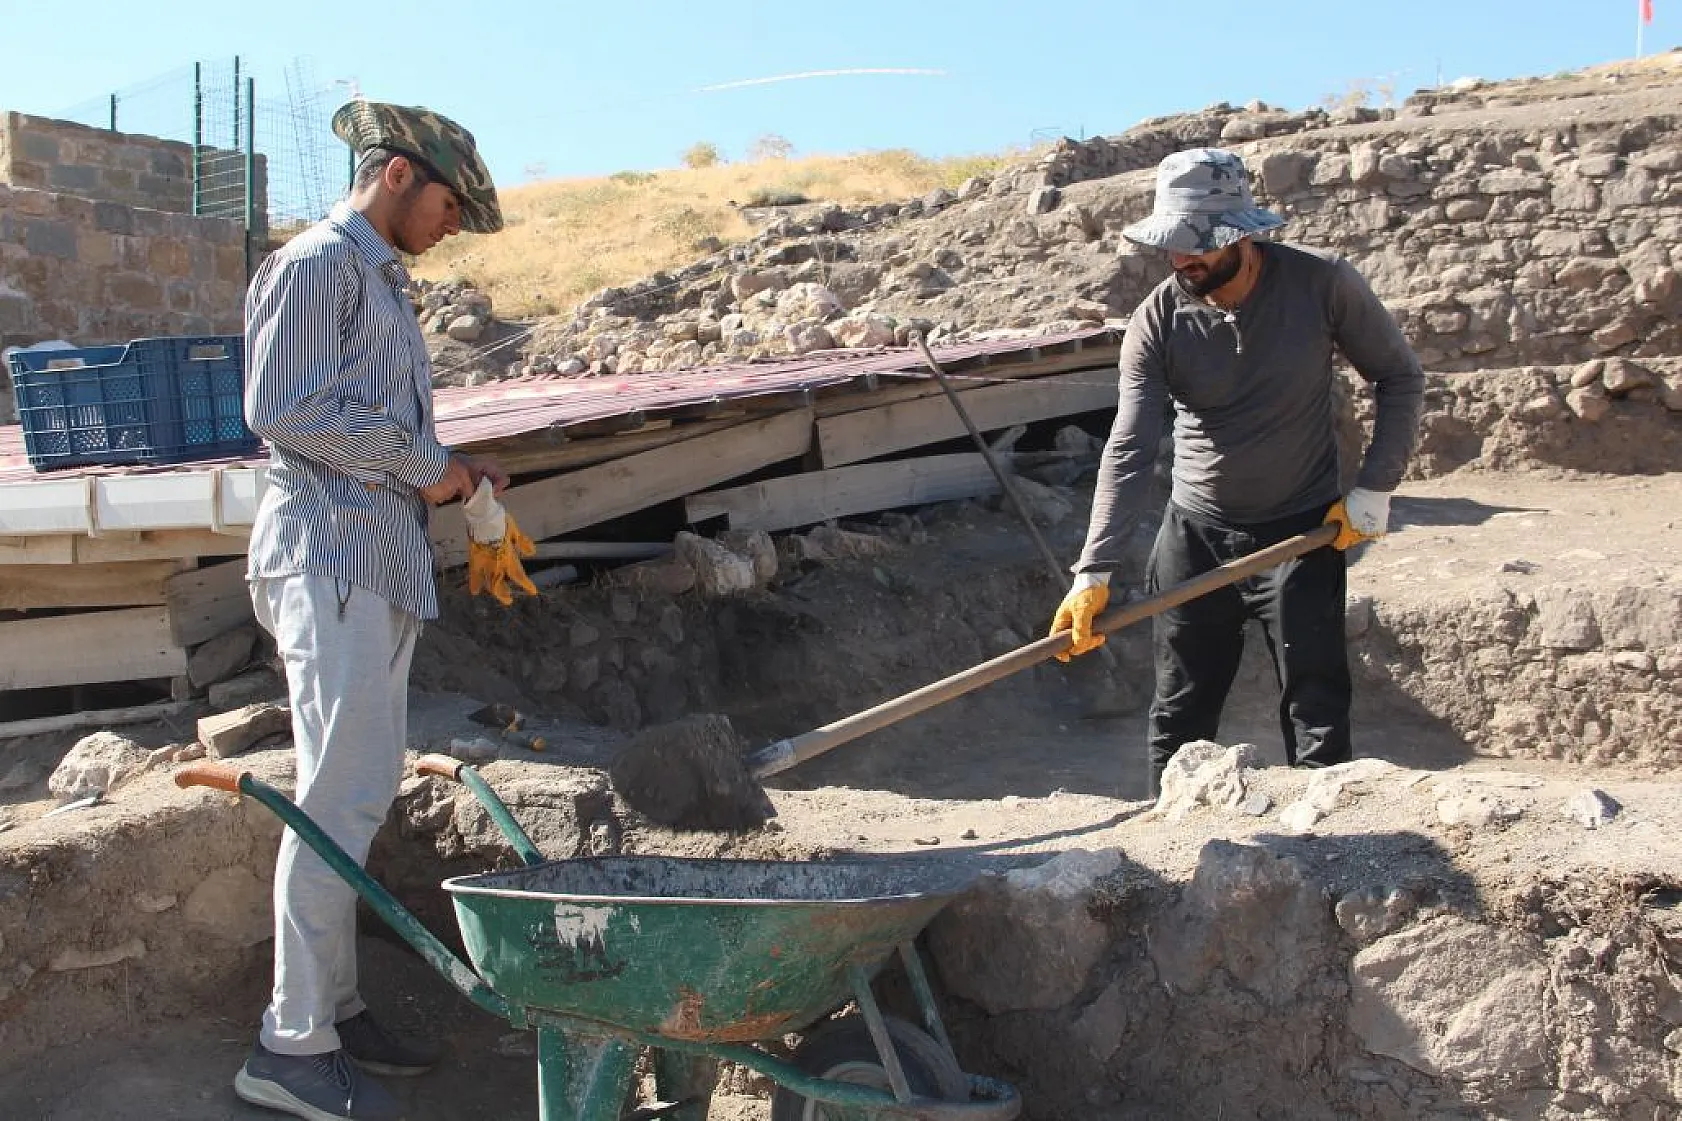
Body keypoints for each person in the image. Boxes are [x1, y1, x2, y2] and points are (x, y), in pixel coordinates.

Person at [235, 99, 506, 1121]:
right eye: (447, 203)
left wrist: (453, 473)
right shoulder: (317, 265)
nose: (451, 226)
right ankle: (289, 1044)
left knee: (355, 791)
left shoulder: (379, 283)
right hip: (328, 559)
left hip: (375, 563)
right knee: (335, 798)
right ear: (396, 175)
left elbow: (369, 423)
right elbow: (284, 410)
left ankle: (335, 1007)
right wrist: (426, 466)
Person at [1050, 147, 1424, 797]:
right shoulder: (1157, 321)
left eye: (1197, 244)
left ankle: (1328, 853)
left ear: (1243, 235)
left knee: (1317, 713)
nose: (1180, 259)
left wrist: (1374, 489)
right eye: (1173, 244)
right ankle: (1169, 851)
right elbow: (1131, 445)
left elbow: (1400, 377)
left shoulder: (1323, 285)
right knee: (1180, 712)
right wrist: (1093, 569)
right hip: (1196, 538)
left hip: (1301, 533)